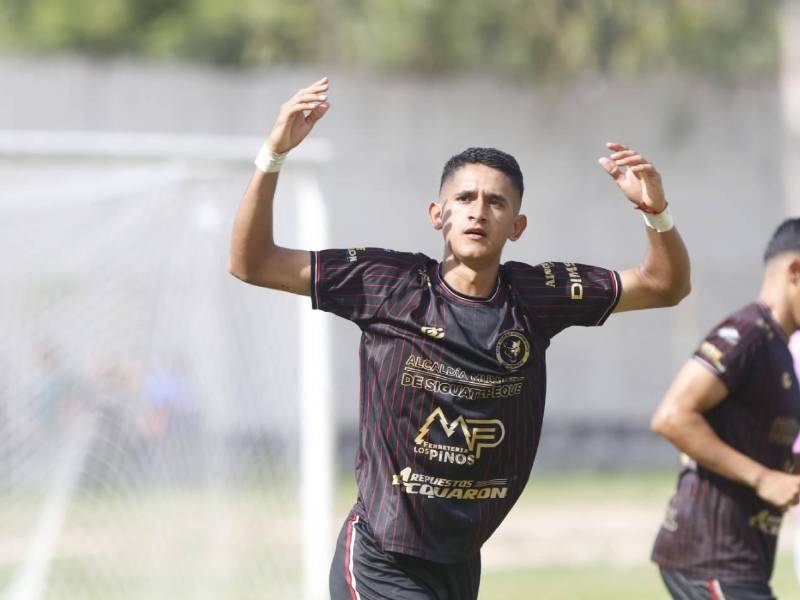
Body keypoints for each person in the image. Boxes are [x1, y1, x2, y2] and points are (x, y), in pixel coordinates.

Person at [229, 77, 690, 600]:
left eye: (495, 202)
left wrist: (657, 213)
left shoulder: (536, 296)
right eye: (465, 197)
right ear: (437, 215)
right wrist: (273, 154)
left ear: (516, 226)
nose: (478, 210)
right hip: (382, 557)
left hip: (458, 562)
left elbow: (664, 285)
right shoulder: (387, 283)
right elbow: (252, 262)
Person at [650, 219, 800, 600]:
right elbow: (672, 417)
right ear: (795, 272)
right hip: (711, 560)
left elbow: (767, 452)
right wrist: (763, 478)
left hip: (741, 561)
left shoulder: (780, 348)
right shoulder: (746, 334)